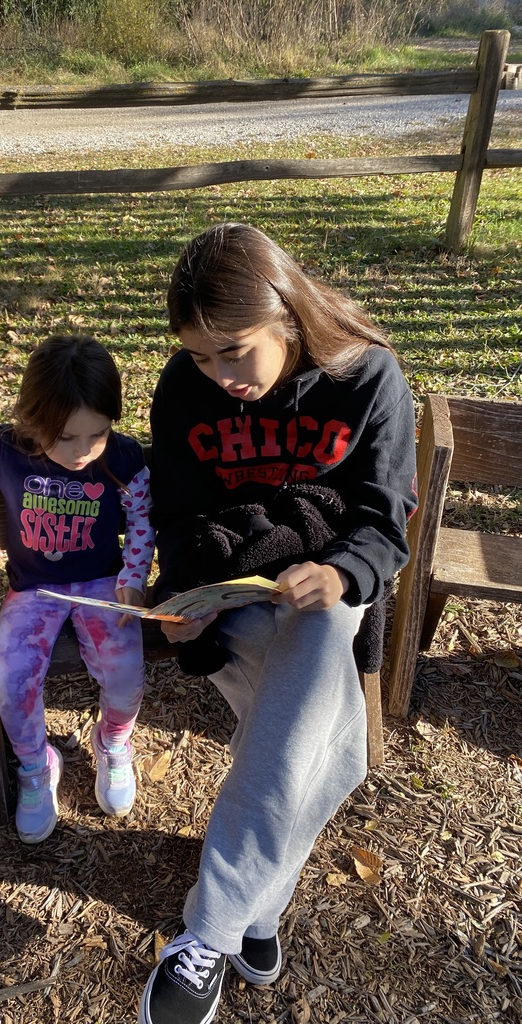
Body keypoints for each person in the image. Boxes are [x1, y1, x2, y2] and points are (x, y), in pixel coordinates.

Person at [138, 224, 417, 1024]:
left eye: (233, 350)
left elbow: (383, 524)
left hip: (324, 583)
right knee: (311, 752)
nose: (217, 374)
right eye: (198, 354)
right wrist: (186, 600)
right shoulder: (184, 387)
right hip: (231, 579)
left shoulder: (368, 375)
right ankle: (261, 911)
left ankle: (210, 931)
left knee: (315, 657)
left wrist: (337, 575)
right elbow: (180, 511)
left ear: (287, 314)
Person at [0, 335, 155, 845]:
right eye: (65, 438)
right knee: (11, 677)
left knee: (125, 670)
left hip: (102, 583)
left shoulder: (123, 459)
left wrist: (132, 579)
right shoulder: (6, 448)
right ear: (33, 420)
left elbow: (142, 518)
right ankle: (36, 764)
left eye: (97, 434)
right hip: (34, 589)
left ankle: (114, 742)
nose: (82, 452)